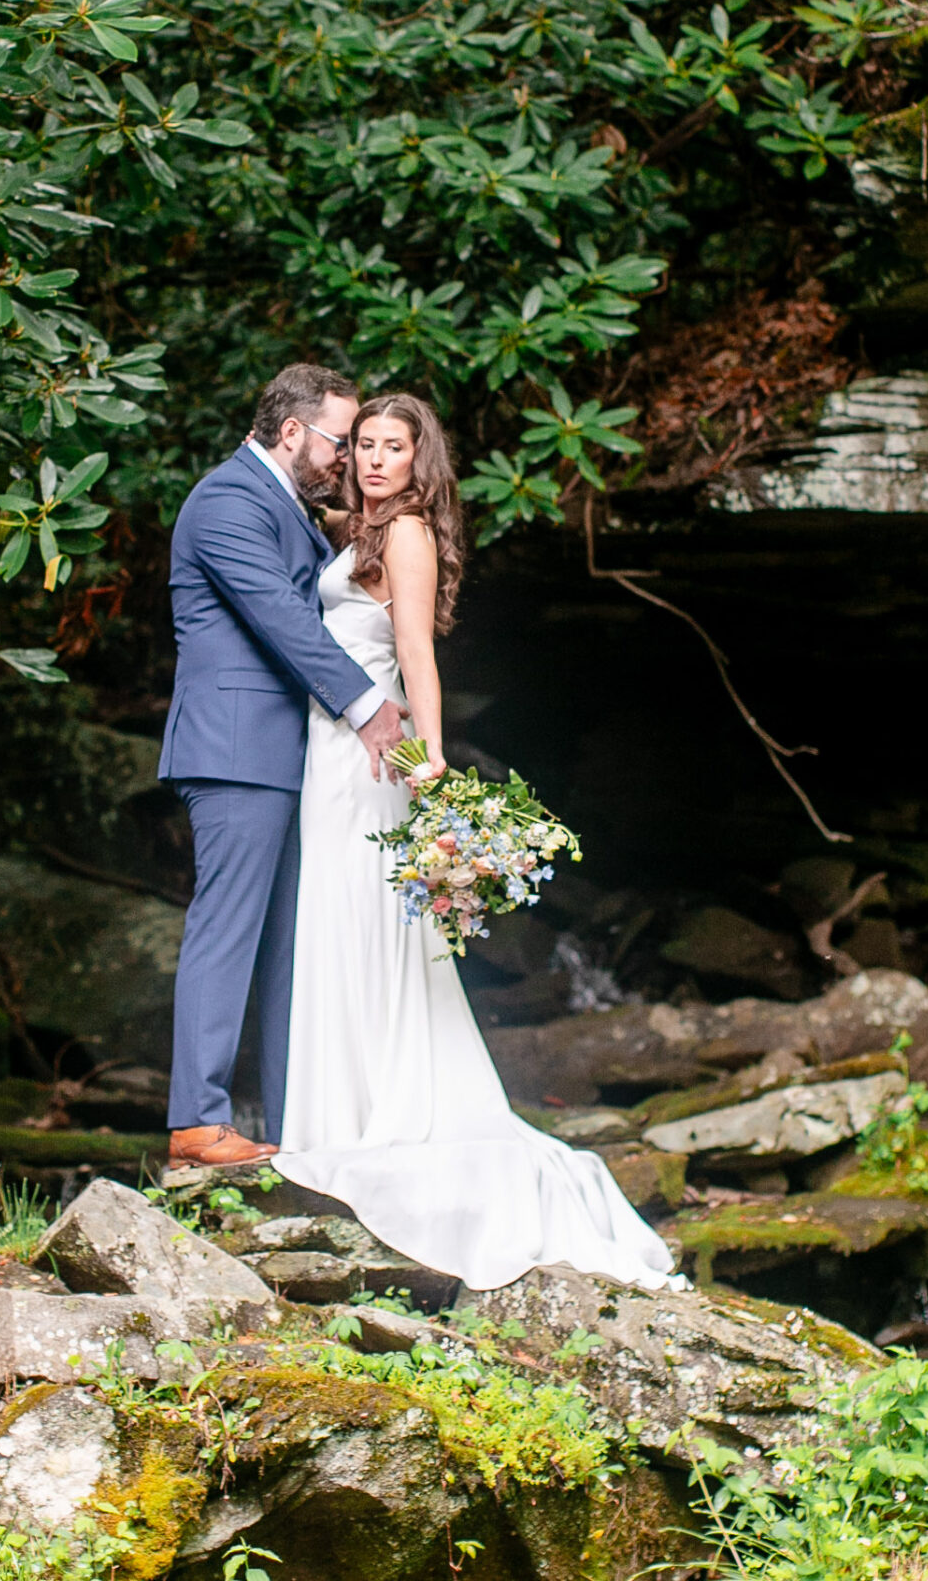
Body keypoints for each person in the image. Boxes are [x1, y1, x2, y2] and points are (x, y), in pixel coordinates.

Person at [277, 392, 672, 1291]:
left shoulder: (406, 534)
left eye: (393, 449)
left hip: (369, 754)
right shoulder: (354, 526)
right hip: (327, 748)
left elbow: (415, 648)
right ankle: (336, 1109)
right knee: (337, 920)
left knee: (363, 921)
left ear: (421, 462)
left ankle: (375, 1112)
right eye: (366, 445)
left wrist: (432, 760)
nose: (376, 460)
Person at [159, 364, 408, 1169]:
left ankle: (294, 1117)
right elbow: (279, 617)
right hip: (236, 750)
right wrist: (367, 704)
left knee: (289, 945)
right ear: (292, 431)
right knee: (226, 930)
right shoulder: (227, 499)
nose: (343, 458)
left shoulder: (284, 505)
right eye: (339, 441)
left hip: (288, 755)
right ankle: (198, 1122)